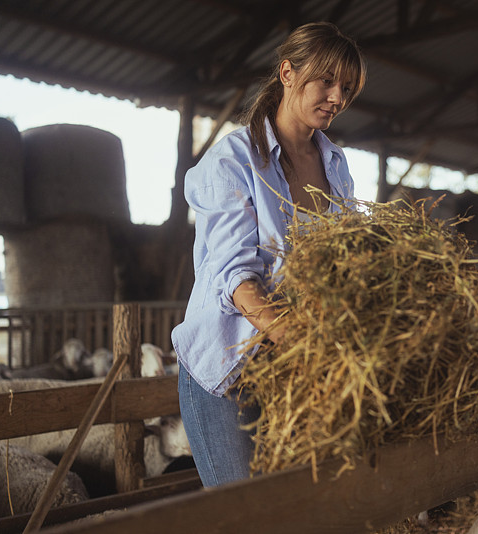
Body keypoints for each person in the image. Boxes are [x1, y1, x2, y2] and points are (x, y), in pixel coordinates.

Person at [171, 21, 366, 487]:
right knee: (246, 515)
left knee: (302, 509)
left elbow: (345, 261)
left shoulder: (335, 165)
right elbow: (237, 279)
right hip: (229, 371)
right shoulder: (231, 161)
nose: (337, 98)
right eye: (326, 82)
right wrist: (312, 345)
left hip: (294, 375)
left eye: (347, 88)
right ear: (287, 73)